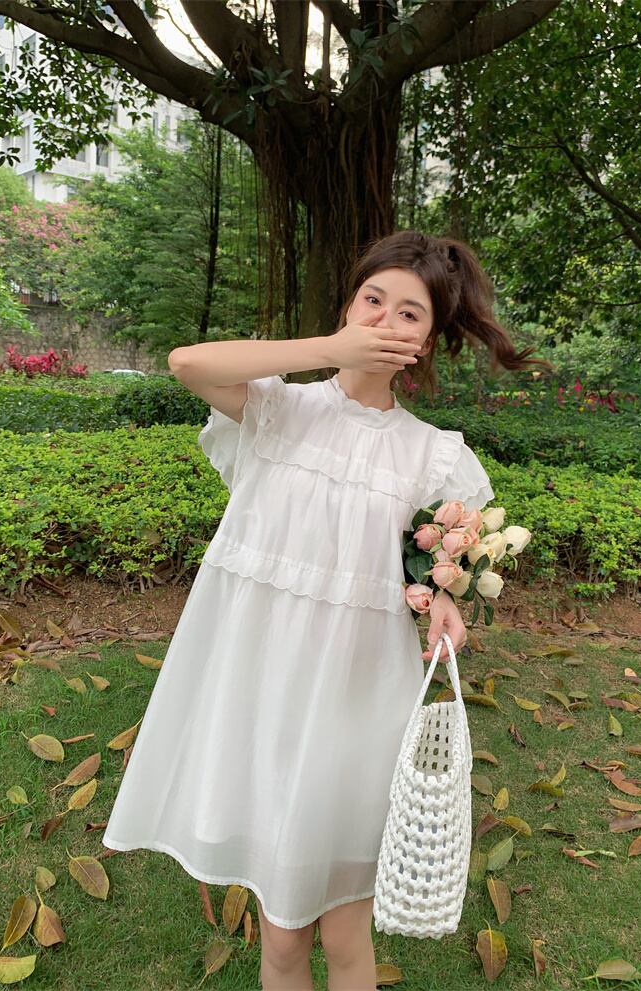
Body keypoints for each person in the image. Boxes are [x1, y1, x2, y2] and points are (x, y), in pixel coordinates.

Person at [101, 229, 550, 991]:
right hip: (259, 699)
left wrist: (445, 596)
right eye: (372, 299)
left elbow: (434, 555)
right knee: (282, 936)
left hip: (354, 705)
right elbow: (186, 362)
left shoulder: (432, 454)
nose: (384, 320)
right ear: (347, 306)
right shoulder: (278, 409)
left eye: (408, 313)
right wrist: (329, 347)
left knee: (344, 929)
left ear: (425, 342)